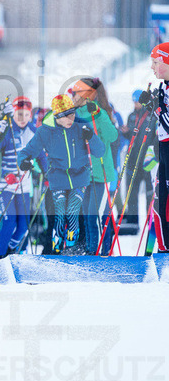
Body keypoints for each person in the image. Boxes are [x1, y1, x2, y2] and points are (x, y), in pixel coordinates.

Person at [18, 94, 104, 255]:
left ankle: (72, 249)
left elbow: (100, 152)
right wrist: (24, 161)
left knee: (72, 212)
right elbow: (28, 151)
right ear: (57, 116)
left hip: (80, 177)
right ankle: (57, 250)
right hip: (57, 178)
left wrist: (91, 137)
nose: (70, 118)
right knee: (59, 216)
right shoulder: (46, 130)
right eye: (65, 116)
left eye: (72, 113)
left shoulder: (81, 125)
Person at [68, 77, 119, 255]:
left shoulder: (100, 112)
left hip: (100, 174)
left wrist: (97, 113)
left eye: (77, 93)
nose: (74, 97)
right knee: (88, 218)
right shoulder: (76, 113)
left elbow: (112, 136)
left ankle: (102, 252)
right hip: (84, 175)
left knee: (96, 217)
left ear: (87, 95)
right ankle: (91, 251)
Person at [0, 96, 40, 257]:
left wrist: (47, 171)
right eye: (19, 114)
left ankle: (11, 249)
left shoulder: (33, 131)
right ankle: (0, 255)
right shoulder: (8, 129)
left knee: (24, 225)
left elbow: (41, 155)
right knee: (9, 221)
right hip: (6, 183)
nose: (23, 119)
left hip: (24, 184)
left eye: (26, 115)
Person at [118, 89, 155, 237]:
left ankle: (151, 222)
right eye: (134, 101)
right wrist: (126, 132)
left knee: (149, 193)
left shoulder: (151, 115)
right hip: (133, 159)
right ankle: (133, 224)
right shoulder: (132, 115)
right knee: (131, 192)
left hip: (148, 159)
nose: (136, 104)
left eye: (138, 101)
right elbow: (132, 136)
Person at [143, 42, 169, 254]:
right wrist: (153, 105)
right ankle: (162, 246)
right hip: (163, 148)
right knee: (159, 198)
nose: (152, 67)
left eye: (156, 62)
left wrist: (158, 108)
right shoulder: (164, 86)